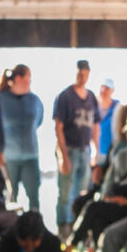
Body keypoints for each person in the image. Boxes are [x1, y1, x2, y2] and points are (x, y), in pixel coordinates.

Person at [71, 111, 127, 246]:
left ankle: (72, 244)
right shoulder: (121, 155)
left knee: (93, 208)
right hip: (114, 200)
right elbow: (109, 180)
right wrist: (107, 196)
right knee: (98, 221)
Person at [51, 60, 100, 230]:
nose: (83, 78)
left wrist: (95, 151)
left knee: (82, 192)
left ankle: (76, 227)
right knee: (65, 193)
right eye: (80, 74)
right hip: (69, 149)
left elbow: (96, 126)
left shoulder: (91, 97)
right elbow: (59, 128)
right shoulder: (65, 97)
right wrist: (63, 155)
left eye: (86, 75)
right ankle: (63, 227)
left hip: (85, 150)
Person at [0, 65, 46, 214]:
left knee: (33, 195)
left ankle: (36, 228)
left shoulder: (35, 100)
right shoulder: (1, 99)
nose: (30, 82)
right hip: (9, 157)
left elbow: (38, 121)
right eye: (28, 79)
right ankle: (11, 229)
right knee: (11, 195)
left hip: (31, 155)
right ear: (18, 79)